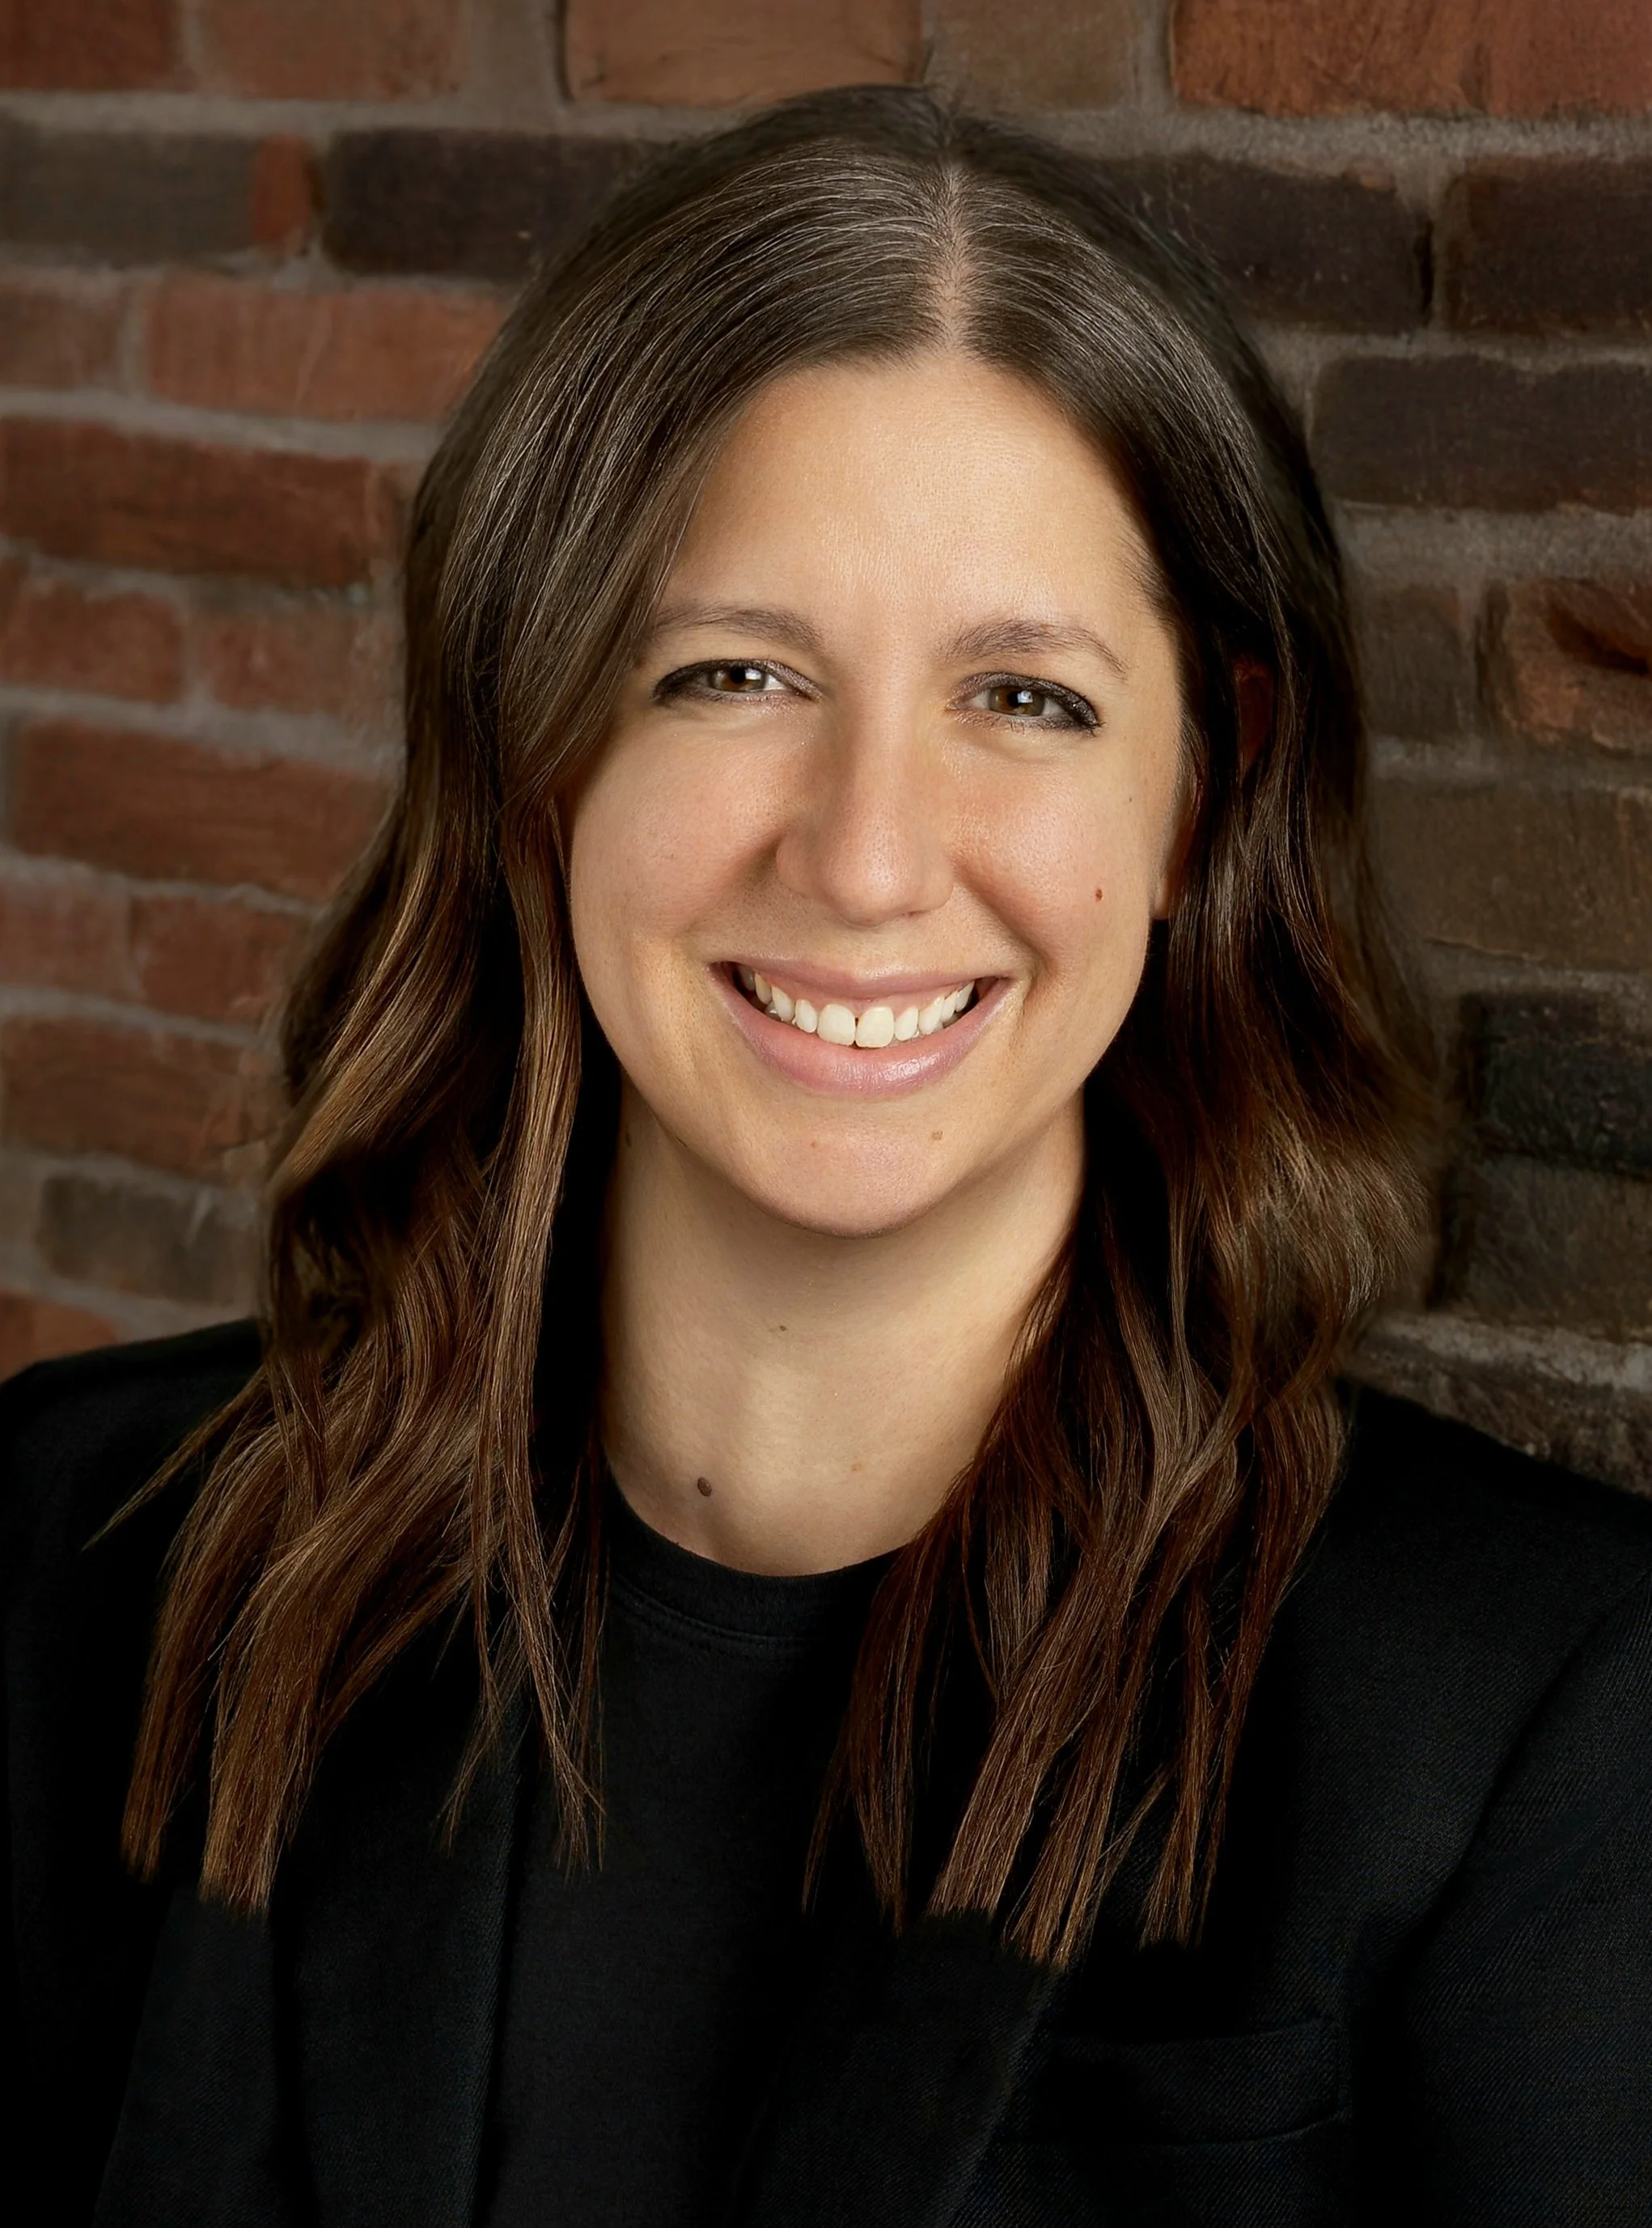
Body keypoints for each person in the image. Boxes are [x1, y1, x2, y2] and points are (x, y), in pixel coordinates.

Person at [5, 87, 1650, 2228]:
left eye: (1028, 700)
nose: (868, 855)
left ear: (1204, 788)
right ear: (538, 747)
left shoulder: (1525, 1724)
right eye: (734, 672)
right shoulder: (75, 1554)